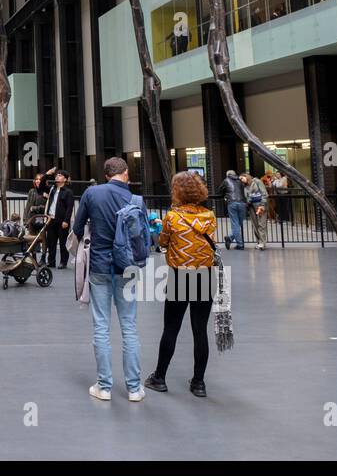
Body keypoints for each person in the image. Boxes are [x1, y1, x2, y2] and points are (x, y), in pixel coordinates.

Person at [71, 157, 143, 403]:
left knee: (101, 326)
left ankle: (104, 386)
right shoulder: (136, 200)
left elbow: (77, 227)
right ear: (124, 174)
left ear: (106, 174)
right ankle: (134, 388)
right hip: (128, 270)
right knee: (129, 327)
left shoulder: (92, 194)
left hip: (100, 266)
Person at [146, 171, 216, 398]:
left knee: (171, 328)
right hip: (204, 276)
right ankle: (198, 383)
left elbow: (163, 242)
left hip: (179, 277)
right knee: (200, 330)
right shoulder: (209, 216)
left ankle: (159, 377)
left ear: (177, 191)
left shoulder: (172, 217)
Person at [42, 168, 75, 269]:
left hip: (62, 221)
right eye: (56, 175)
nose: (57, 176)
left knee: (63, 243)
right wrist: (47, 174)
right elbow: (42, 185)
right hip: (50, 219)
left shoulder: (68, 192)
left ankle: (63, 262)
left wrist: (66, 220)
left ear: (65, 179)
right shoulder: (52, 189)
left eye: (60, 175)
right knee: (51, 242)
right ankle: (51, 261)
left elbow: (69, 208)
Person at [218, 169, 247, 250]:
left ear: (227, 175)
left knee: (235, 224)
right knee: (239, 224)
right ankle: (233, 240)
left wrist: (225, 195)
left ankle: (238, 243)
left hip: (232, 203)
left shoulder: (226, 180)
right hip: (242, 203)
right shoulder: (240, 181)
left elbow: (219, 191)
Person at [243, 172, 268, 250]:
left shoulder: (257, 181)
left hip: (260, 205)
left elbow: (264, 193)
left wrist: (263, 204)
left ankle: (262, 243)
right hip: (251, 206)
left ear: (247, 177)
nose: (241, 180)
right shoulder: (245, 186)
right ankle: (259, 242)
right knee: (255, 224)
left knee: (261, 224)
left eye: (242, 178)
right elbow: (247, 197)